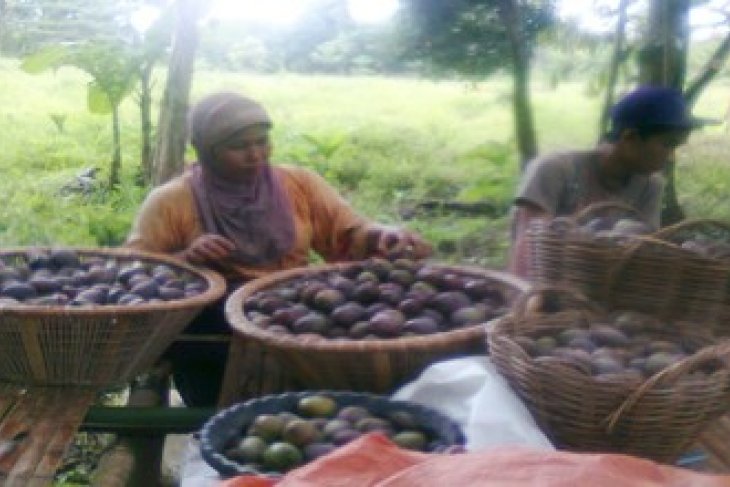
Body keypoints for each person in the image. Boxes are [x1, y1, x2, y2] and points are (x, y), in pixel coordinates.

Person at [125, 91, 432, 406]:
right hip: (218, 327)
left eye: (262, 142)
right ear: (206, 151)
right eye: (239, 147)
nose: (256, 155)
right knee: (214, 375)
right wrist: (186, 260)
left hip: (297, 307)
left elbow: (347, 232)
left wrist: (382, 235)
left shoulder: (297, 183)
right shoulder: (171, 201)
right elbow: (137, 270)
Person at [508, 85, 707, 278]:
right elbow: (529, 251)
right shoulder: (555, 169)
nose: (672, 157)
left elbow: (641, 253)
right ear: (630, 137)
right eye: (667, 144)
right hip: (545, 287)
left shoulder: (650, 186)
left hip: (605, 291)